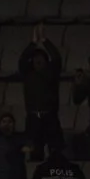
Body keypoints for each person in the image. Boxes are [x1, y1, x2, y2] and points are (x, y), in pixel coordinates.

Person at [19, 24, 64, 161]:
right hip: (33, 118)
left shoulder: (52, 72)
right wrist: (33, 43)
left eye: (41, 58)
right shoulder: (28, 74)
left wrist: (45, 41)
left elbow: (56, 58)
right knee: (35, 152)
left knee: (55, 150)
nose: (37, 61)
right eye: (35, 58)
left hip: (50, 117)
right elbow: (22, 61)